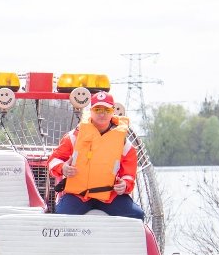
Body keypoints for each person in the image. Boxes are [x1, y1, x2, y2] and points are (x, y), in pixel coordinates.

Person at [47, 92, 145, 220]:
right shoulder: (74, 136)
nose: (102, 113)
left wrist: (125, 184)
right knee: (60, 218)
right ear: (91, 111)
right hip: (78, 195)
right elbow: (53, 160)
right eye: (97, 109)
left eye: (106, 110)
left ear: (112, 112)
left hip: (110, 196)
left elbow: (129, 174)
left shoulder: (124, 143)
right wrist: (63, 168)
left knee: (136, 215)